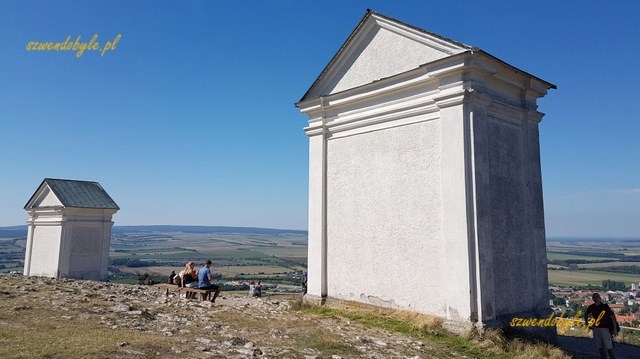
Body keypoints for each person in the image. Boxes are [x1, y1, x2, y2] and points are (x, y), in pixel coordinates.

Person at [584, 292, 617, 359]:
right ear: (593, 299)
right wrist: (586, 323)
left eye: (597, 297)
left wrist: (615, 328)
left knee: (609, 347)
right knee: (600, 347)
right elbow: (586, 314)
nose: (595, 299)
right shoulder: (591, 307)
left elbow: (612, 317)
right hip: (596, 328)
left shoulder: (605, 307)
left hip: (605, 328)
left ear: (600, 298)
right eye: (594, 297)